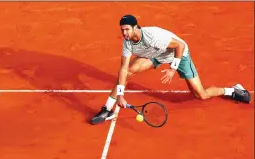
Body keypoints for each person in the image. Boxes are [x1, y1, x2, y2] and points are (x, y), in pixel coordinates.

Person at [90, 14, 251, 125]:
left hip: (177, 55)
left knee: (200, 94)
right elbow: (123, 69)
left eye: (127, 29)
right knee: (129, 71)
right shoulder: (127, 42)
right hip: (154, 55)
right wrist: (119, 95)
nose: (124, 33)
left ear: (135, 27)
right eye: (122, 30)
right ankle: (107, 109)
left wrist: (173, 68)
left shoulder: (153, 36)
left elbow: (179, 45)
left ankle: (232, 90)